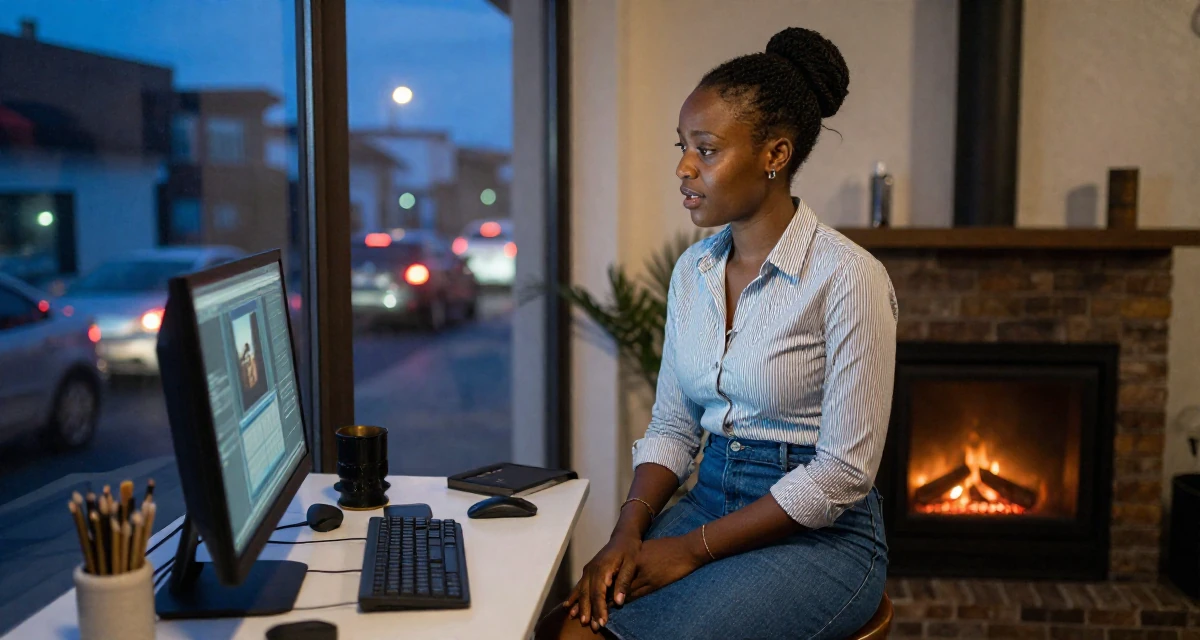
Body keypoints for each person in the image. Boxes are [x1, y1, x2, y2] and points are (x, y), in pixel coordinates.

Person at [538, 26, 897, 640]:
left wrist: (688, 550)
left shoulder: (850, 278)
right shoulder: (694, 271)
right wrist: (628, 531)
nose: (683, 167)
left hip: (819, 537)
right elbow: (675, 427)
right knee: (574, 628)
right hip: (708, 500)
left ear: (774, 155)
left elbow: (842, 475)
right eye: (681, 147)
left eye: (706, 149)